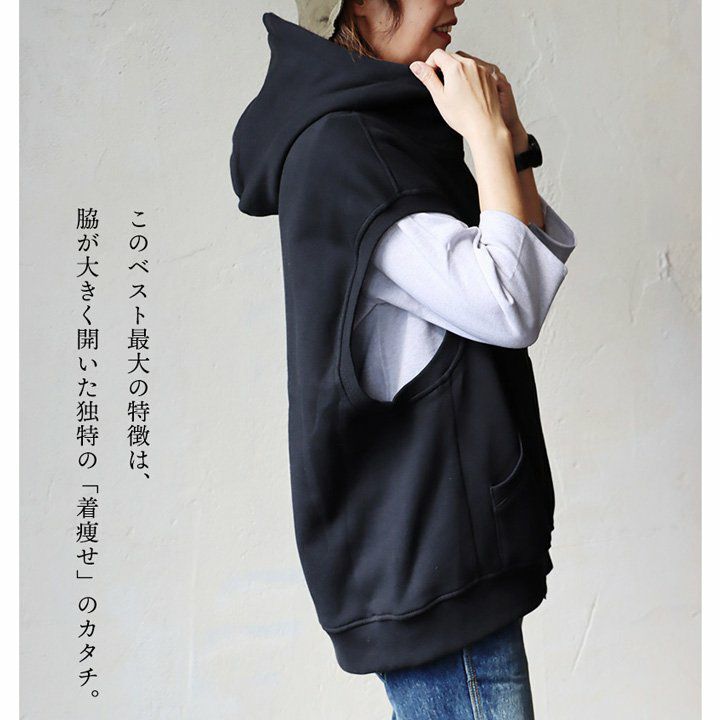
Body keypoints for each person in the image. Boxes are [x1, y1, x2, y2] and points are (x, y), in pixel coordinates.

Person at [230, 1, 577, 717]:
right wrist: (486, 137)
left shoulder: (380, 129)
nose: (456, 0)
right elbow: (510, 304)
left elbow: (525, 278)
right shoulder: (347, 148)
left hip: (438, 552)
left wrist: (509, 143)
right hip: (435, 562)